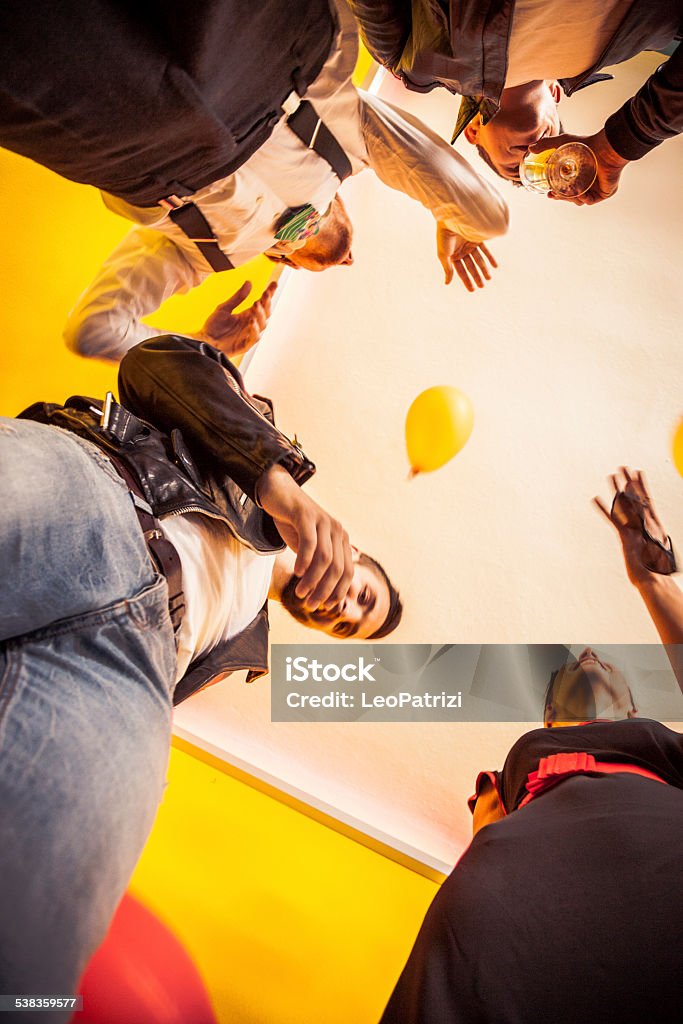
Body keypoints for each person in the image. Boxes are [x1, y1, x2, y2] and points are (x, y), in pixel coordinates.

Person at [0, 321, 402, 1019]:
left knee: (32, 961)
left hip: (135, 668)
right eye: (361, 596)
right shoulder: (262, 457)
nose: (342, 610)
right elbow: (154, 363)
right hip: (100, 500)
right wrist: (284, 488)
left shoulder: (240, 643)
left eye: (346, 626)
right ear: (356, 552)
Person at [379, 467, 683, 1024]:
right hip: (500, 925)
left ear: (636, 714)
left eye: (601, 661)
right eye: (570, 669)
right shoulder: (510, 776)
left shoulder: (664, 754)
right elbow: (483, 837)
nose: (586, 656)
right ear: (549, 717)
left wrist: (654, 583)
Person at [60, 0, 509, 362]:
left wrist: (205, 348)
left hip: (92, 107)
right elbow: (488, 216)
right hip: (242, 32)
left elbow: (95, 330)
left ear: (282, 258)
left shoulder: (202, 255)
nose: (348, 260)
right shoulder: (352, 140)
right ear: (341, 199)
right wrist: (456, 222)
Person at [349, 0, 683, 205]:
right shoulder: (636, 38)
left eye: (516, 168)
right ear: (555, 96)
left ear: (473, 130)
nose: (533, 156)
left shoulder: (412, 63)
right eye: (547, 155)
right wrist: (619, 146)